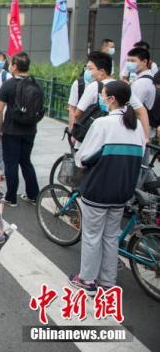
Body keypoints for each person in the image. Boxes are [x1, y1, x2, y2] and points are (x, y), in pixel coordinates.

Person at [70, 81, 145, 292]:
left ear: (111, 99)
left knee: (92, 236)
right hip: (122, 191)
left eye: (104, 95)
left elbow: (82, 158)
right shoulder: (136, 125)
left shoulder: (102, 124)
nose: (102, 99)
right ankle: (107, 281)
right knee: (111, 237)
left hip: (98, 188)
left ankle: (87, 279)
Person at [73, 51, 150, 141]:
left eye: (90, 69)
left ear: (102, 71)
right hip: (117, 137)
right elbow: (141, 111)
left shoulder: (94, 86)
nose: (87, 72)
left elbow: (77, 114)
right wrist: (146, 137)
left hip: (95, 137)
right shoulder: (122, 86)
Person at [0, 52, 40, 206]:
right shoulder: (35, 83)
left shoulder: (9, 84)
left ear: (14, 66)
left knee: (11, 163)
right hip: (30, 129)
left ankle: (11, 197)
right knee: (26, 161)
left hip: (11, 130)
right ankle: (34, 195)